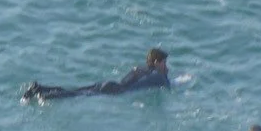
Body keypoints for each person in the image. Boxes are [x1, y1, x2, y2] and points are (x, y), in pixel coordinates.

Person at [22, 49, 172, 103]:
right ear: (157, 62)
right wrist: (166, 77)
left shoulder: (139, 69)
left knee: (75, 91)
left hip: (110, 84)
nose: (166, 66)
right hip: (115, 91)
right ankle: (46, 96)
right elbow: (165, 83)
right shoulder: (156, 76)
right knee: (75, 94)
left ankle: (40, 88)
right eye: (164, 63)